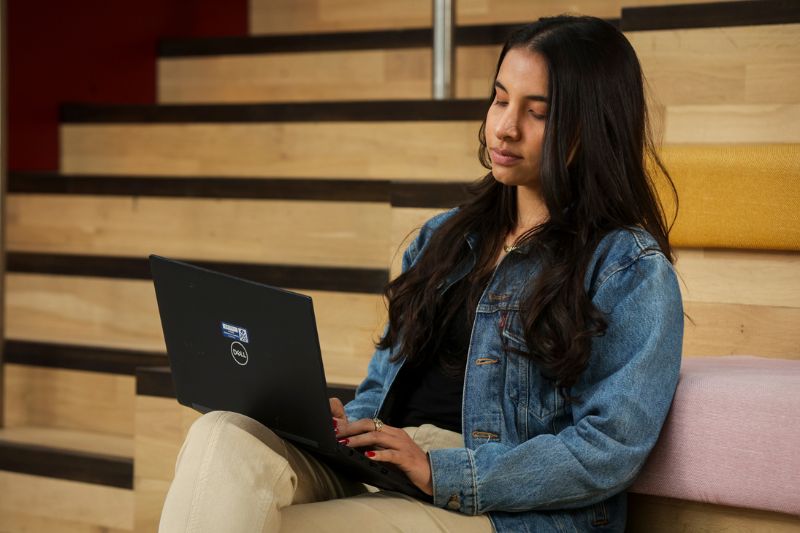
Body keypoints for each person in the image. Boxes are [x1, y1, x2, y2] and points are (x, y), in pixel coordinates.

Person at [158, 14, 683, 533]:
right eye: (500, 99)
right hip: (393, 460)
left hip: (499, 501)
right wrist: (340, 427)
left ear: (588, 128)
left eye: (537, 111)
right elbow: (381, 385)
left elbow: (607, 450)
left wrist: (439, 470)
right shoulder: (443, 238)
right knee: (222, 432)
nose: (504, 126)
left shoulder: (627, 269)